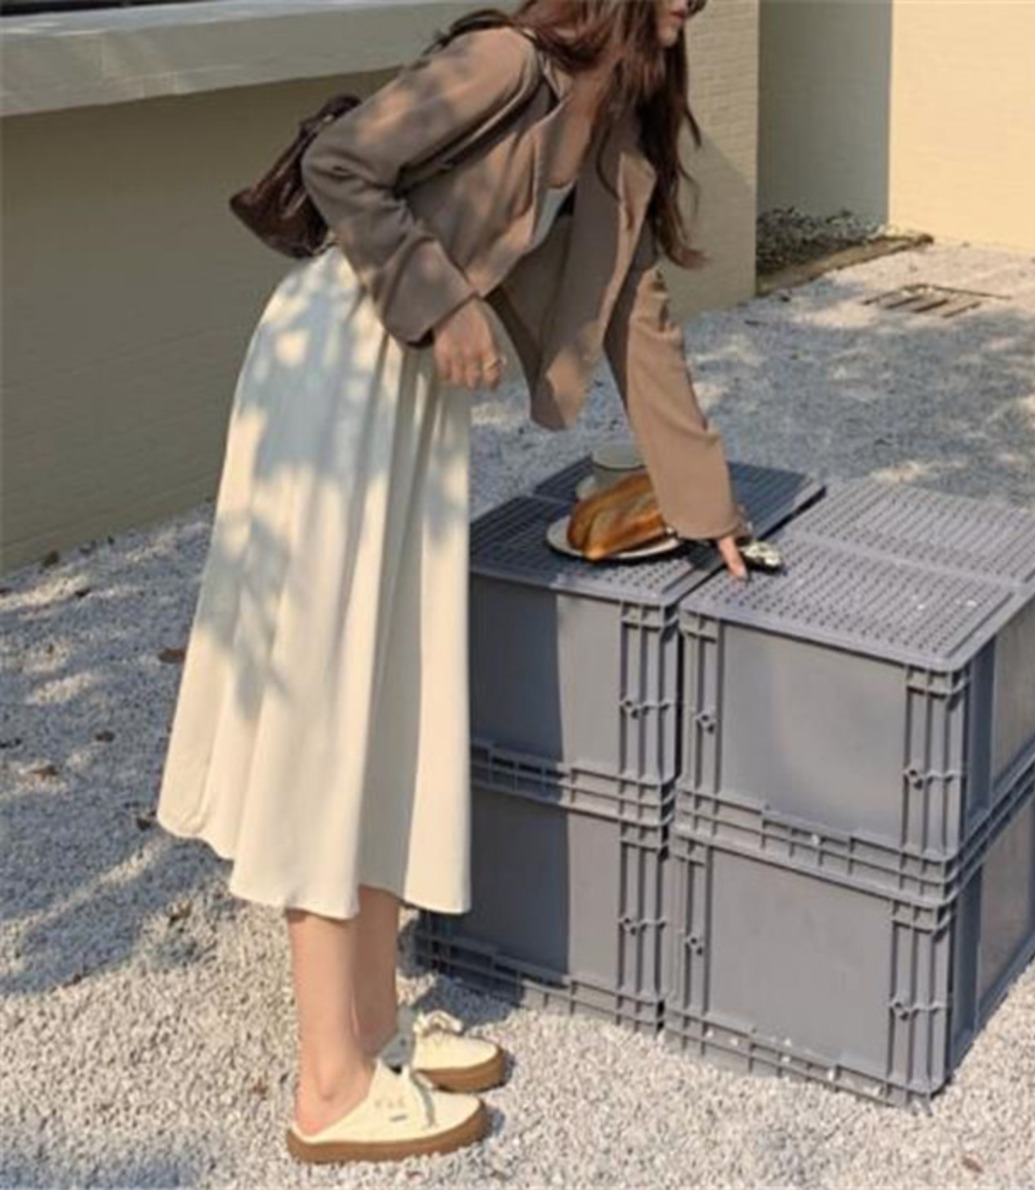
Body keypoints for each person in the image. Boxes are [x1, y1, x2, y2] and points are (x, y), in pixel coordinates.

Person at [155, 0, 750, 1167]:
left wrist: (708, 507)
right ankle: (327, 1085)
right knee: (332, 702)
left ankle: (372, 1023)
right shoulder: (506, 62)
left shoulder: (613, 122)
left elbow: (636, 317)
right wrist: (443, 301)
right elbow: (341, 162)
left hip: (413, 395)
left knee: (391, 697)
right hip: (338, 372)